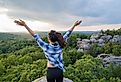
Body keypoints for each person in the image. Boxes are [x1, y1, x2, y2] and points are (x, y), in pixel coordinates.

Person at [14, 19, 82, 82]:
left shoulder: (45, 46)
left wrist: (25, 25)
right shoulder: (60, 44)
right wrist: (74, 25)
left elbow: (35, 35)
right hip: (59, 71)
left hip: (50, 71)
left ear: (49, 39)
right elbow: (68, 33)